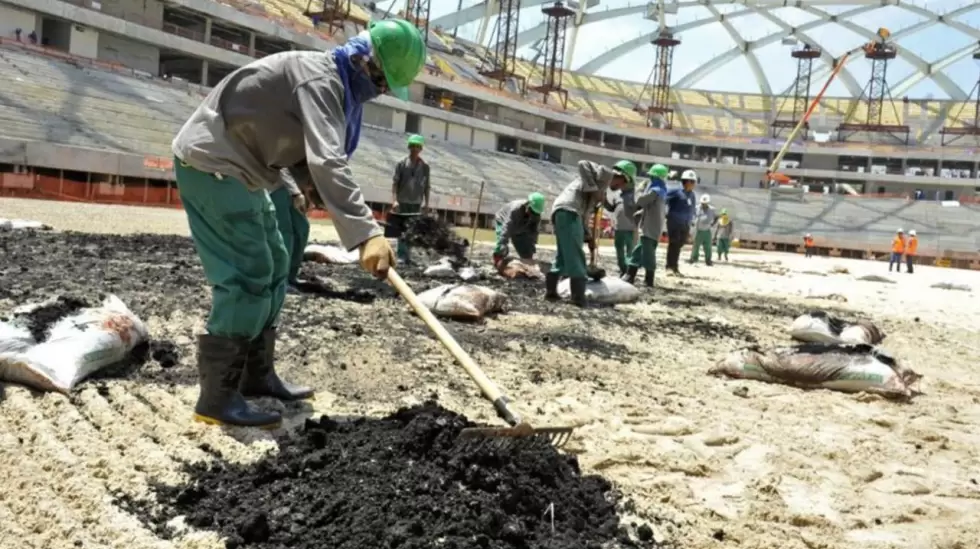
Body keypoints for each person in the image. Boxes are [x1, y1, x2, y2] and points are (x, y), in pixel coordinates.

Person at [170, 20, 427, 428]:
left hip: (248, 171)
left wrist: (310, 187)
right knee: (249, 273)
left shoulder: (335, 84)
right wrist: (367, 234)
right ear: (364, 63)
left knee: (275, 261)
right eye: (380, 81)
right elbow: (327, 158)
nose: (379, 91)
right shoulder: (320, 80)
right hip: (214, 163)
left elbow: (302, 155)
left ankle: (257, 376)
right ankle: (216, 399)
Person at [546, 160, 636, 306]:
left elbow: (585, 216)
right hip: (570, 210)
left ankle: (551, 293)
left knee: (563, 255)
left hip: (564, 212)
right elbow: (582, 164)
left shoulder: (603, 190)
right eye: (622, 183)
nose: (620, 187)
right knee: (576, 255)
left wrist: (588, 237)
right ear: (621, 176)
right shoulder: (606, 174)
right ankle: (578, 298)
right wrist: (593, 189)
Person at [623, 164, 667, 288]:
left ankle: (649, 280)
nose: (650, 179)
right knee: (638, 251)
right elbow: (652, 208)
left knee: (648, 254)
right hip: (653, 227)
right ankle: (630, 275)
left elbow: (640, 201)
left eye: (651, 177)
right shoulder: (662, 191)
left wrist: (639, 189)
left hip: (650, 228)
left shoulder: (655, 191)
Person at [269, 169, 312, 293]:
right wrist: (296, 193)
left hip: (294, 189)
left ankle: (291, 276)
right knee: (285, 233)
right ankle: (280, 281)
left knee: (302, 228)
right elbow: (282, 166)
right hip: (277, 186)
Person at [391, 133, 431, 265]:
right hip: (402, 201)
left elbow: (427, 186)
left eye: (417, 146)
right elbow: (395, 183)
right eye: (412, 146)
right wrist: (394, 200)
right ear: (409, 147)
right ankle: (402, 255)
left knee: (412, 230)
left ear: (421, 149)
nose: (414, 149)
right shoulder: (401, 164)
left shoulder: (425, 167)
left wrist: (426, 203)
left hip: (416, 202)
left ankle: (408, 255)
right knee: (402, 229)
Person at [492, 192, 545, 266]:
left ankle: (527, 261)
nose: (533, 214)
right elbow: (507, 226)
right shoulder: (516, 209)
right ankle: (497, 261)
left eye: (536, 213)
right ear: (528, 204)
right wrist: (503, 243)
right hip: (503, 220)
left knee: (527, 253)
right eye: (532, 211)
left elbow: (534, 231)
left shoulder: (536, 216)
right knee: (501, 247)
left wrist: (532, 246)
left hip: (520, 228)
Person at [664, 169, 697, 275]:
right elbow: (663, 199)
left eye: (694, 182)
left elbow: (692, 209)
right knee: (673, 243)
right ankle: (670, 267)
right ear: (685, 181)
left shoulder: (692, 195)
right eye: (691, 181)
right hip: (674, 222)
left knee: (679, 244)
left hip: (685, 224)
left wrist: (691, 222)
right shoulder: (676, 192)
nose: (693, 184)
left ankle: (674, 266)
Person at [603, 178, 637, 276]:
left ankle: (628, 270)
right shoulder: (617, 196)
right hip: (619, 228)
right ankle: (623, 269)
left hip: (630, 228)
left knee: (629, 250)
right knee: (619, 250)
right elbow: (611, 208)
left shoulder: (633, 195)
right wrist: (604, 200)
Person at [689, 194, 717, 265]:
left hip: (707, 230)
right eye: (702, 203)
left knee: (708, 246)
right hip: (698, 229)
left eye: (705, 203)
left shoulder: (712, 209)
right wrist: (692, 222)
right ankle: (694, 258)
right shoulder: (697, 208)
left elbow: (716, 217)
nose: (703, 204)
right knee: (696, 245)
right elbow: (692, 215)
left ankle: (708, 260)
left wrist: (713, 223)